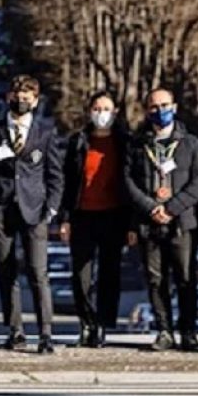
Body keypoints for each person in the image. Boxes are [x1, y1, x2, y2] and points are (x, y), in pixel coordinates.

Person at [0, 75, 62, 353]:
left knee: (38, 273)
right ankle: (15, 330)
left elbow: (54, 175)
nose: (21, 100)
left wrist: (51, 208)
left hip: (35, 210)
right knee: (6, 272)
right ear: (8, 98)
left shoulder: (45, 133)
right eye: (17, 95)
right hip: (1, 209)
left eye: (27, 96)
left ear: (36, 101)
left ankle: (46, 333)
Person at [125, 87, 198, 352]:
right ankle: (164, 330)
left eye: (164, 105)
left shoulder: (191, 143)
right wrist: (151, 207)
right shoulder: (138, 144)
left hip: (181, 222)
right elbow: (128, 182)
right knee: (155, 279)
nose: (159, 111)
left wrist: (172, 208)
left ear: (174, 106)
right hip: (149, 222)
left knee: (185, 278)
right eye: (153, 106)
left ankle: (189, 332)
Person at [59, 90, 134, 348]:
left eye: (106, 109)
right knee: (81, 274)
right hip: (82, 215)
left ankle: (102, 323)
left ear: (115, 113)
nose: (101, 114)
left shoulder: (125, 142)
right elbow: (68, 181)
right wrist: (65, 218)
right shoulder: (78, 141)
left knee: (109, 273)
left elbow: (131, 182)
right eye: (97, 108)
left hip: (114, 215)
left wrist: (132, 224)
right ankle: (86, 322)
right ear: (89, 112)